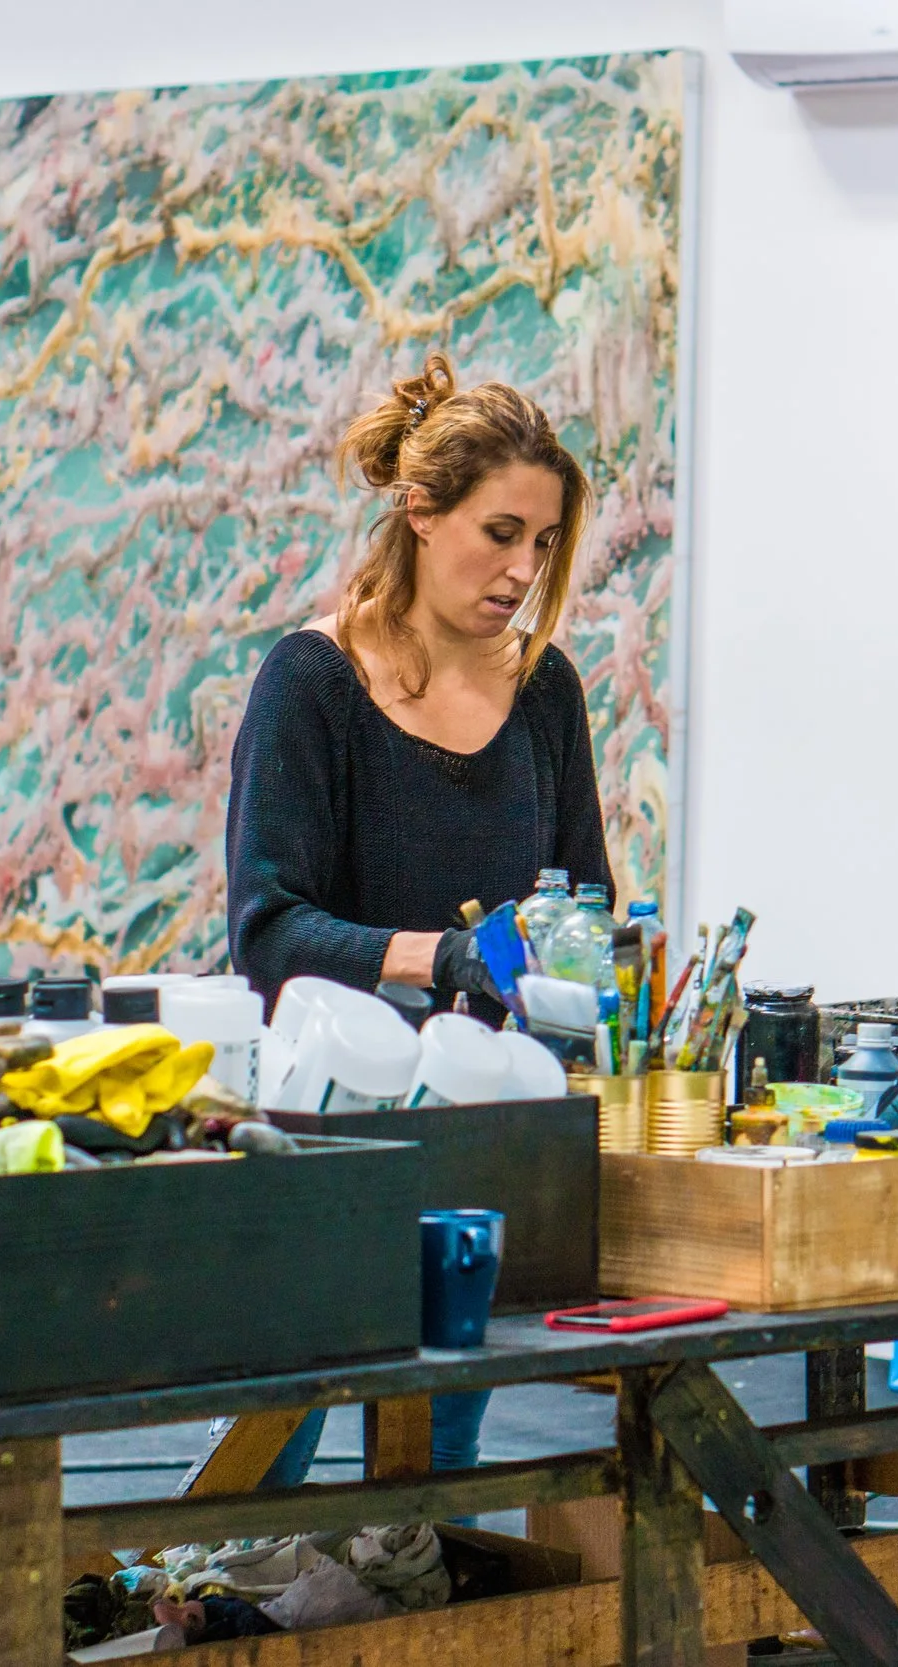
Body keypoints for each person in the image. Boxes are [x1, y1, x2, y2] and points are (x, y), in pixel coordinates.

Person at [222, 350, 613, 1481]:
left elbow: (582, 899)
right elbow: (267, 933)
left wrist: (584, 965)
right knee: (258, 1486)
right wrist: (440, 957)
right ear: (419, 509)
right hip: (319, 1128)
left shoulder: (547, 692)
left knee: (436, 1477)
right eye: (500, 533)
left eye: (542, 543)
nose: (522, 569)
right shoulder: (310, 683)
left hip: (476, 1124)